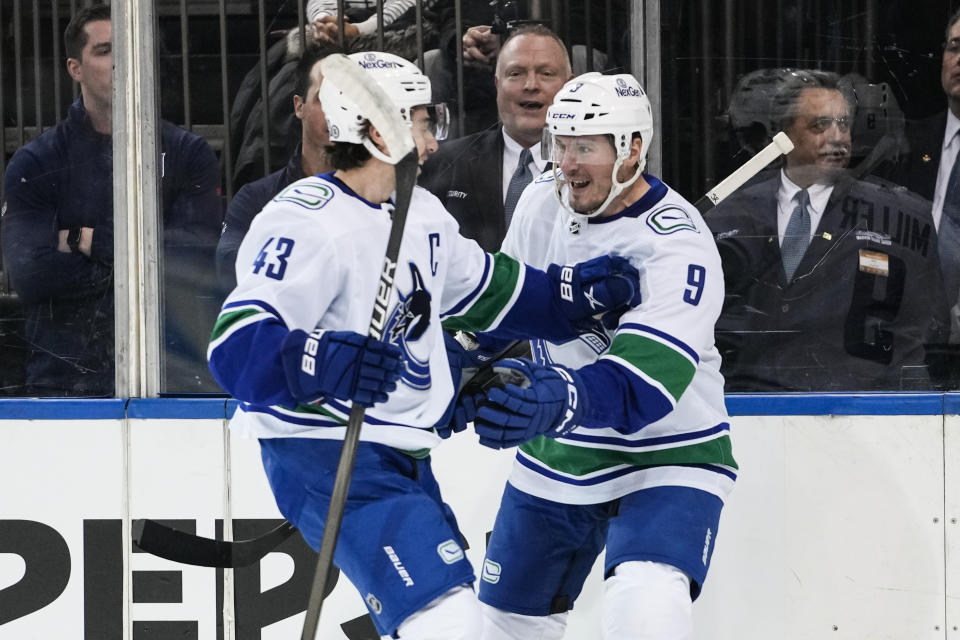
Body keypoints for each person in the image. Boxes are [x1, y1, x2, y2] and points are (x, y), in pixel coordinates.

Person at [206, 52, 641, 640]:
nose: (433, 133)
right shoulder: (303, 221)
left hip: (399, 456)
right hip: (323, 452)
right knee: (447, 621)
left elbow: (495, 293)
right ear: (372, 128)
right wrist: (320, 361)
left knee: (455, 620)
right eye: (417, 116)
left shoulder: (420, 212)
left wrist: (572, 295)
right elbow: (233, 349)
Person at [463, 72, 736, 640]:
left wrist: (558, 395)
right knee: (501, 627)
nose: (566, 162)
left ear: (633, 148)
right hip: (559, 449)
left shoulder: (677, 245)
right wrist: (453, 352)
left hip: (667, 452)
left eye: (585, 147)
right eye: (559, 144)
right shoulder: (542, 200)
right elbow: (506, 302)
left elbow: (643, 387)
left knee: (645, 608)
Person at [0, 4, 221, 396]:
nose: (121, 62)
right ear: (75, 68)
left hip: (172, 377)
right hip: (62, 381)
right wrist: (145, 254)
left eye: (126, 48)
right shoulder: (37, 161)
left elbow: (197, 260)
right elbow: (31, 275)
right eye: (104, 51)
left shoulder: (189, 153)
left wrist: (84, 240)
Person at [709, 69, 949, 391]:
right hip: (755, 404)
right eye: (820, 125)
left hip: (859, 408)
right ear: (784, 135)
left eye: (844, 125)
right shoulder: (730, 216)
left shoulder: (898, 216)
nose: (837, 138)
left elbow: (928, 327)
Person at [418, 24, 572, 252]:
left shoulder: (589, 168)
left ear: (569, 86)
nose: (531, 85)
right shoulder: (444, 162)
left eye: (546, 74)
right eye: (516, 73)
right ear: (497, 85)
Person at [217, 45, 338, 291]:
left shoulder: (378, 195)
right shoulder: (256, 197)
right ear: (298, 106)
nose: (337, 112)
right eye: (324, 99)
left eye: (347, 99)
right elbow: (227, 265)